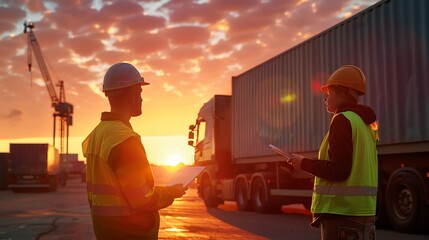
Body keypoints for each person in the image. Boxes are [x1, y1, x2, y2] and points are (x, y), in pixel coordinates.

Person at [82, 62, 187, 239]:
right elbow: (141, 198)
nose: (141, 98)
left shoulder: (95, 135)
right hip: (129, 232)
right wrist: (171, 193)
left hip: (105, 231)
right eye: (139, 92)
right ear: (130, 94)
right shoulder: (125, 139)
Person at [288, 65, 378, 240]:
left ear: (342, 95)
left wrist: (303, 163)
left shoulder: (342, 120)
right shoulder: (365, 124)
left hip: (341, 213)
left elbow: (339, 170)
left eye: (329, 93)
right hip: (363, 212)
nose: (326, 98)